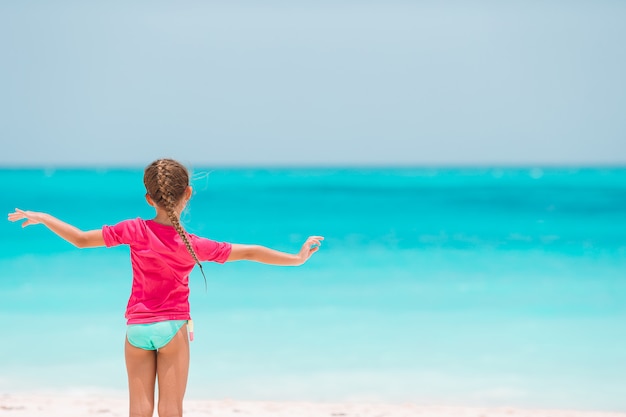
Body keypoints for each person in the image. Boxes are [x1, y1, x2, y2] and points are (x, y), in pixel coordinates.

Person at [7, 158, 323, 417]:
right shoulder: (194, 245)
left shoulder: (133, 229)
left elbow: (79, 239)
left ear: (149, 198)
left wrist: (45, 217)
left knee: (138, 410)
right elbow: (251, 251)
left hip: (136, 330)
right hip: (172, 329)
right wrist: (297, 259)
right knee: (171, 410)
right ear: (188, 193)